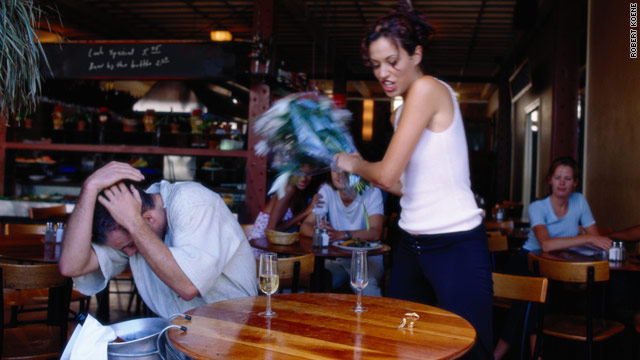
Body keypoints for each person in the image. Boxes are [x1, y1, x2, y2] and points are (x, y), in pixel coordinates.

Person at [334, 2, 493, 358]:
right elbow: (399, 185)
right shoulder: (401, 113)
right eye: (376, 65)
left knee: (470, 351)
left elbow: (386, 172)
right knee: (404, 348)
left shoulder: (427, 89)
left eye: (393, 61)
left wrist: (352, 162)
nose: (383, 73)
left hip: (455, 243)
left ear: (416, 53)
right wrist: (351, 178)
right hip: (412, 245)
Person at [58, 161, 257, 319]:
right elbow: (71, 266)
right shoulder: (134, 233)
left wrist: (135, 224)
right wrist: (89, 188)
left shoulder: (192, 201)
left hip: (232, 336)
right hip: (181, 339)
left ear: (148, 219)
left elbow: (188, 286)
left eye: (129, 245)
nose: (128, 253)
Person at [493, 156, 612, 360]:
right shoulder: (537, 207)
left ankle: (499, 355)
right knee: (534, 299)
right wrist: (586, 237)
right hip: (527, 261)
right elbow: (546, 244)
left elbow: (597, 240)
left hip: (559, 267)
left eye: (568, 178)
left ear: (575, 182)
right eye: (558, 178)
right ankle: (529, 355)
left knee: (540, 298)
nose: (562, 183)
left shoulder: (579, 201)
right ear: (550, 180)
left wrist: (590, 238)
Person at [299, 170, 385, 296]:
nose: (339, 175)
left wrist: (342, 234)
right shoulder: (327, 190)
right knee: (315, 280)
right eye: (335, 170)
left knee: (369, 292)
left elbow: (375, 232)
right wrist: (322, 233)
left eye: (345, 170)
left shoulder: (371, 191)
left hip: (367, 261)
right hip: (339, 261)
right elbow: (305, 227)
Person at [248, 163, 322, 240]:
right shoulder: (288, 188)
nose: (303, 178)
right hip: (263, 247)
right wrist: (305, 213)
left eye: (308, 174)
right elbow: (271, 231)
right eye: (298, 173)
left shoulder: (299, 191)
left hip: (276, 245)